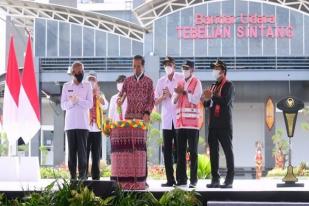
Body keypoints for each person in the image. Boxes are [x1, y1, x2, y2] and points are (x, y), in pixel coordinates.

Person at [113, 55, 154, 189]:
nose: (136, 68)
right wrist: (119, 100)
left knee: (141, 150)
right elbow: (121, 95)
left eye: (138, 66)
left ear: (143, 66)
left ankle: (142, 179)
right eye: (134, 66)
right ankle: (129, 179)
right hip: (129, 119)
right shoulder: (127, 81)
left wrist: (147, 113)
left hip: (142, 120)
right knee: (129, 149)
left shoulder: (148, 81)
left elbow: (151, 100)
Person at [202, 59, 235, 189]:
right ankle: (215, 179)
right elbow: (207, 104)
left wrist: (212, 96)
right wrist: (205, 98)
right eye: (214, 68)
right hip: (213, 124)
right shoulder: (213, 85)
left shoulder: (229, 85)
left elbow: (225, 101)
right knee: (213, 152)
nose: (214, 71)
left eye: (217, 68)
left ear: (223, 71)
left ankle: (229, 179)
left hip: (224, 124)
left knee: (228, 151)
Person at [172, 60, 202, 188]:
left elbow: (196, 99)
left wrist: (186, 93)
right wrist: (178, 93)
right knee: (180, 152)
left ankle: (193, 180)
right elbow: (173, 100)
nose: (184, 70)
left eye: (187, 68)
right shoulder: (179, 82)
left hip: (192, 124)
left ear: (192, 70)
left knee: (193, 152)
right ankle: (181, 179)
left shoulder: (197, 82)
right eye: (183, 68)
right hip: (180, 124)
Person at [61, 61, 93, 181]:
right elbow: (63, 106)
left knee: (82, 152)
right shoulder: (66, 86)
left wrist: (78, 100)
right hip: (70, 125)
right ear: (73, 72)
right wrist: (71, 102)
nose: (80, 73)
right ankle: (73, 176)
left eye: (81, 71)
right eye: (77, 71)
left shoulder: (87, 86)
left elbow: (90, 104)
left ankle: (83, 176)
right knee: (71, 152)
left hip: (83, 124)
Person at [155, 56, 183, 187]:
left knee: (179, 150)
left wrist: (171, 95)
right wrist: (163, 96)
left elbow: (184, 97)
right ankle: (170, 180)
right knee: (166, 151)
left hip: (178, 120)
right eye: (165, 65)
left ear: (174, 66)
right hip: (166, 121)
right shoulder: (161, 81)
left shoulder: (181, 78)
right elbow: (155, 100)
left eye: (169, 64)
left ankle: (181, 178)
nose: (167, 67)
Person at [86, 71, 109, 180]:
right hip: (86, 128)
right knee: (84, 154)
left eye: (93, 80)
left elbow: (105, 107)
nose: (91, 82)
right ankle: (84, 175)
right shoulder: (84, 93)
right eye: (89, 79)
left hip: (97, 128)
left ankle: (95, 176)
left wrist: (99, 97)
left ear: (96, 82)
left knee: (96, 155)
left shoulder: (101, 94)